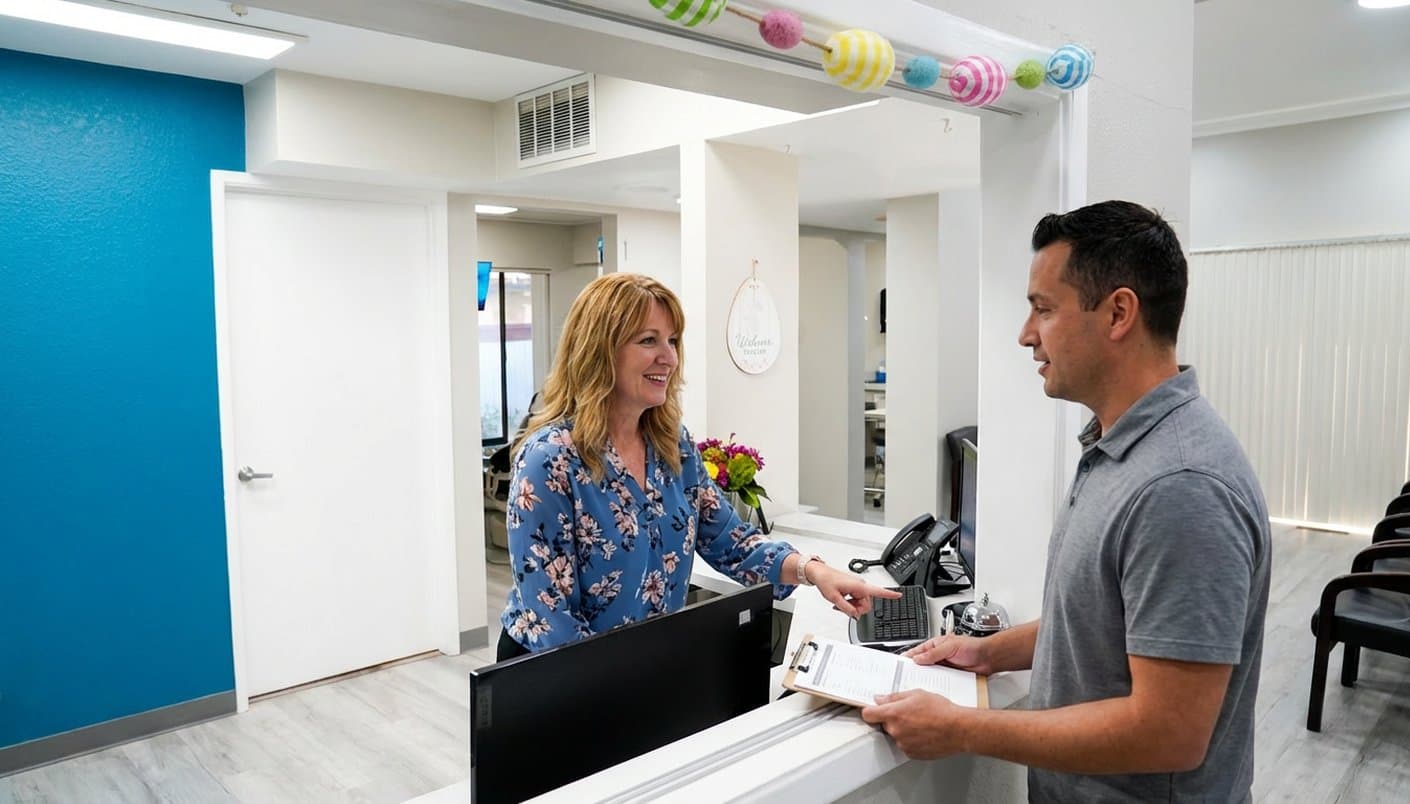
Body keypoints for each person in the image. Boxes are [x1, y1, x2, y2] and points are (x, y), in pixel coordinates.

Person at [862, 201, 1272, 802]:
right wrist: (987, 652)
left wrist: (965, 729)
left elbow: (1172, 732)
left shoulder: (1181, 486)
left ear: (1118, 314)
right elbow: (1100, 622)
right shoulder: (1117, 446)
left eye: (1043, 309)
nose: (1026, 334)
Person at [497, 272, 899, 660]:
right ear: (599, 350)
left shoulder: (672, 445)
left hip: (637, 665)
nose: (669, 357)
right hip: (556, 673)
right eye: (648, 340)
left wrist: (815, 572)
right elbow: (553, 621)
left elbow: (731, 542)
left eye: (672, 340)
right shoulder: (550, 461)